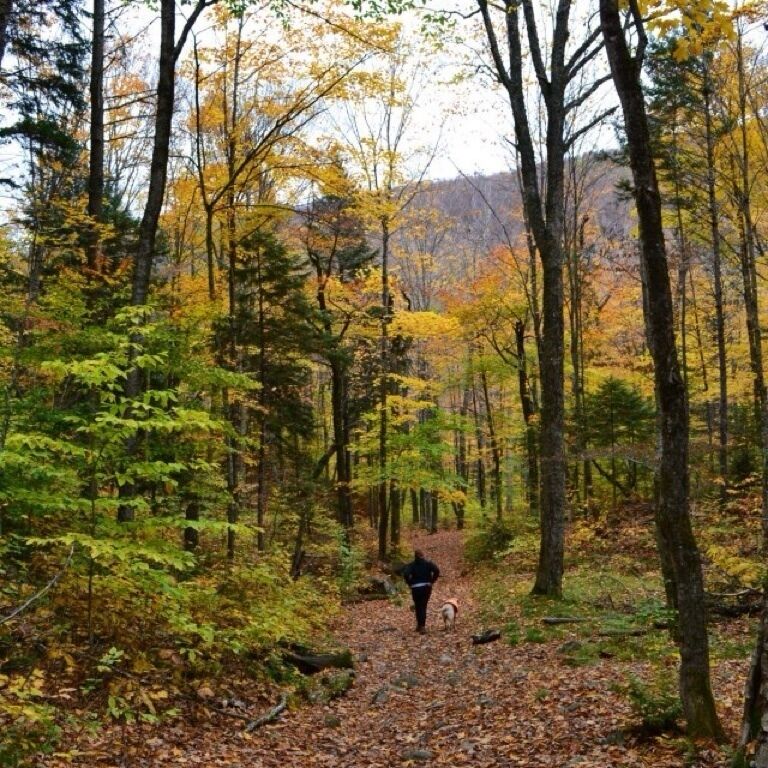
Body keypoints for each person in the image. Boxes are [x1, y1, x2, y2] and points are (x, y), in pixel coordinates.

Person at [402, 549, 440, 634]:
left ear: (415, 556)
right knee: (423, 606)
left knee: (418, 606)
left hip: (415, 588)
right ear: (422, 555)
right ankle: (422, 626)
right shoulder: (428, 563)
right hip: (426, 587)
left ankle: (420, 625)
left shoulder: (411, 565)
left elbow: (406, 574)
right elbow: (437, 570)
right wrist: (432, 581)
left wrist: (410, 583)